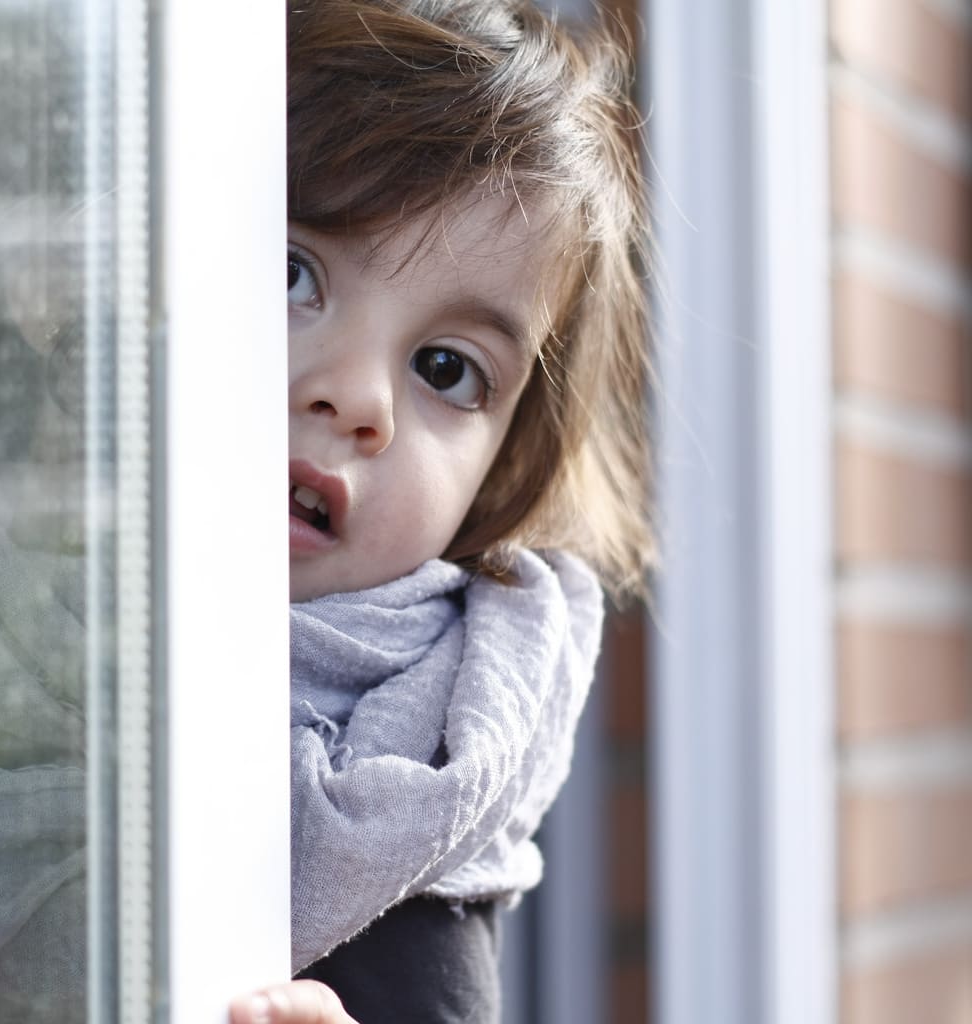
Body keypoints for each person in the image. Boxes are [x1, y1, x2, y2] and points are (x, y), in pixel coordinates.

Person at [271, 0, 652, 1021]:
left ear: (502, 471)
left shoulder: (424, 767)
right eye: (290, 273)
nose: (358, 397)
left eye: (445, 369)